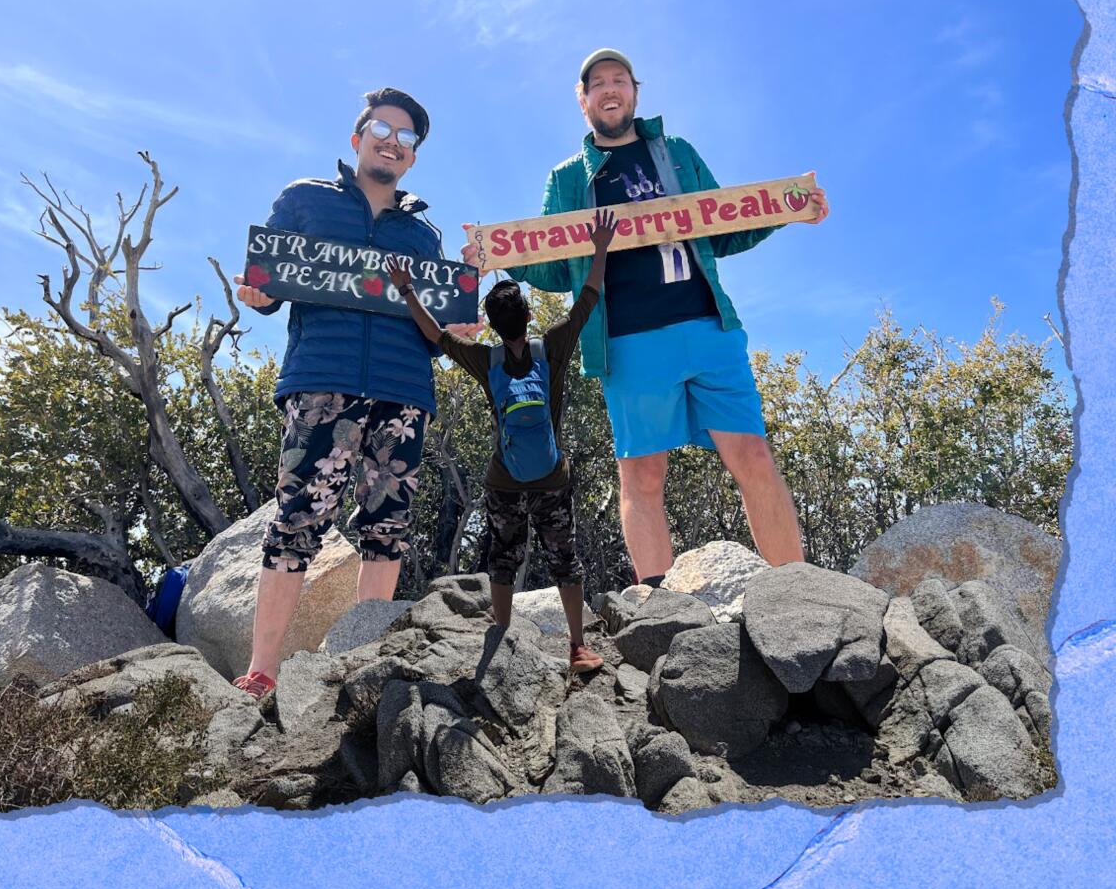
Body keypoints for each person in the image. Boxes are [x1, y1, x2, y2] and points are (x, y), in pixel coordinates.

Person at [462, 49, 830, 587]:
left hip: (709, 328)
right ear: (582, 100)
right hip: (626, 340)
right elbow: (556, 269)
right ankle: (659, 613)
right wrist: (498, 256)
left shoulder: (675, 152)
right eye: (597, 84)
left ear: (636, 91)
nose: (609, 91)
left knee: (751, 453)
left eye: (619, 81)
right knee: (641, 471)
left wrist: (785, 211)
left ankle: (799, 591)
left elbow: (724, 225)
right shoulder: (566, 178)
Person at [231, 87, 465, 699]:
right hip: (322, 384)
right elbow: (272, 281)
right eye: (383, 129)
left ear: (413, 157)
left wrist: (459, 327)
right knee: (297, 520)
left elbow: (435, 328)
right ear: (357, 136)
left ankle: (363, 666)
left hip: (405, 389)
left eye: (407, 137)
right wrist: (258, 294)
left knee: (387, 526)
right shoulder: (304, 200)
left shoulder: (424, 234)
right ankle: (262, 671)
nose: (394, 141)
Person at [384, 208, 618, 671]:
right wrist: (600, 248)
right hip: (552, 477)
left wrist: (407, 289)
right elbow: (588, 299)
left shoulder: (483, 360)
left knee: (503, 558)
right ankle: (577, 648)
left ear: (491, 324)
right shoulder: (551, 347)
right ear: (529, 316)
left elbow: (434, 334)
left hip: (503, 480)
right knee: (565, 560)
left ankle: (502, 640)